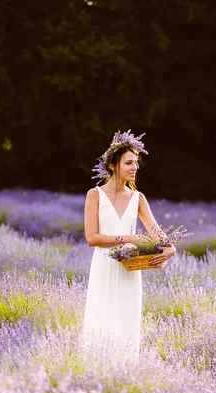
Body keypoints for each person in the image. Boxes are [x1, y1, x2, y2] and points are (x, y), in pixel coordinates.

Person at [82, 130, 176, 361]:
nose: (135, 167)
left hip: (129, 271)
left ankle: (124, 372)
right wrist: (129, 238)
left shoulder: (138, 198)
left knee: (126, 320)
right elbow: (92, 238)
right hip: (104, 267)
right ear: (114, 165)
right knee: (101, 318)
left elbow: (158, 235)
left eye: (136, 163)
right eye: (129, 163)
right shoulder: (94, 195)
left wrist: (170, 249)